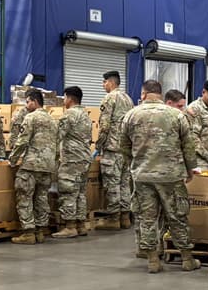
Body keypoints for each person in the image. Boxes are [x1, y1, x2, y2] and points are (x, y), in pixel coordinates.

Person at [120, 80, 198, 273]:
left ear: (143, 93)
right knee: (177, 216)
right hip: (171, 176)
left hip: (143, 176)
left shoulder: (130, 115)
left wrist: (134, 166)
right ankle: (187, 259)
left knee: (146, 218)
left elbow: (123, 146)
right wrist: (190, 170)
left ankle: (153, 260)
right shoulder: (177, 115)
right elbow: (188, 146)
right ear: (161, 94)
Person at [8, 89, 58, 244]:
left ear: (34, 101)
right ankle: (40, 231)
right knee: (42, 197)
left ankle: (28, 232)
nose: (26, 105)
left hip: (31, 165)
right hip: (48, 166)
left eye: (27, 101)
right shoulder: (52, 120)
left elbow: (22, 141)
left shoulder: (31, 117)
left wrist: (12, 159)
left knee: (24, 196)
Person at [95, 70, 134, 231]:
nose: (103, 86)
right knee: (125, 183)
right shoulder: (128, 98)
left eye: (104, 83)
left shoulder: (110, 98)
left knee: (112, 183)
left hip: (112, 148)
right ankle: (125, 216)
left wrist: (98, 146)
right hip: (126, 149)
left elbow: (104, 126)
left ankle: (113, 218)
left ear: (110, 82)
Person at [54, 86, 92, 239]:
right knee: (80, 193)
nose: (64, 101)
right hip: (84, 158)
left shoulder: (69, 115)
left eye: (64, 98)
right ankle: (81, 225)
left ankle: (70, 226)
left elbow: (57, 136)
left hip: (72, 159)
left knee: (68, 191)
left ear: (69, 98)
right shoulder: (85, 115)